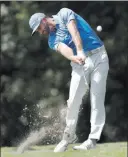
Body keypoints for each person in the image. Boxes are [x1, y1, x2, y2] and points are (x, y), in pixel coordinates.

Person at [29, 8, 109, 152]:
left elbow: (73, 30)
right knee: (73, 101)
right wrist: (74, 57)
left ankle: (92, 140)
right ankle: (67, 138)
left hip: (99, 57)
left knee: (97, 99)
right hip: (79, 64)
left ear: (43, 20)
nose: (41, 32)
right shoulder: (52, 40)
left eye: (39, 28)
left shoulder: (64, 13)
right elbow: (63, 48)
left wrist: (79, 50)